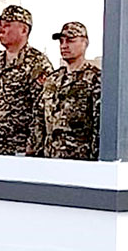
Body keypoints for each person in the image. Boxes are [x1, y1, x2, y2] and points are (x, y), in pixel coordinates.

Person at [0, 5, 53, 156]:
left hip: (20, 150)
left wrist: (33, 144)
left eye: (7, 25)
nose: (1, 29)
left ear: (24, 30)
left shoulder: (37, 64)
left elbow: (42, 109)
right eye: (0, 25)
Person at [32, 22, 100, 160]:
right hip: (50, 157)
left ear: (85, 43)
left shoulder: (95, 79)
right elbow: (39, 118)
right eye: (61, 41)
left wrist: (94, 159)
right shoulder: (53, 80)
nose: (64, 45)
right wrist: (36, 151)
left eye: (70, 41)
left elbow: (98, 124)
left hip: (79, 159)